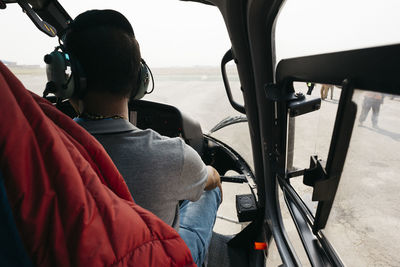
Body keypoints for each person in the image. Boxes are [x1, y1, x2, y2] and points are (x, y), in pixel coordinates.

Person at [65, 10, 222, 266]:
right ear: (138, 79)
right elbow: (210, 179)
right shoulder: (174, 155)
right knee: (208, 192)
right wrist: (209, 172)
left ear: (69, 80)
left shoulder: (49, 146)